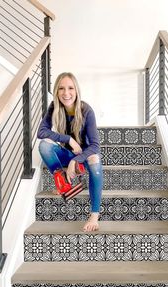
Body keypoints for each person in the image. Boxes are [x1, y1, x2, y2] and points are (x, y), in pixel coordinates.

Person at [37, 72, 103, 232]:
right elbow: (41, 132)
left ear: (76, 90)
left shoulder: (86, 110)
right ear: (56, 91)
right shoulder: (54, 107)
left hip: (85, 156)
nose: (66, 93)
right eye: (61, 88)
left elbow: (95, 145)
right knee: (44, 145)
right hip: (67, 154)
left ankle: (95, 213)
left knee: (95, 162)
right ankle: (64, 183)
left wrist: (76, 160)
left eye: (70, 88)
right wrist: (67, 139)